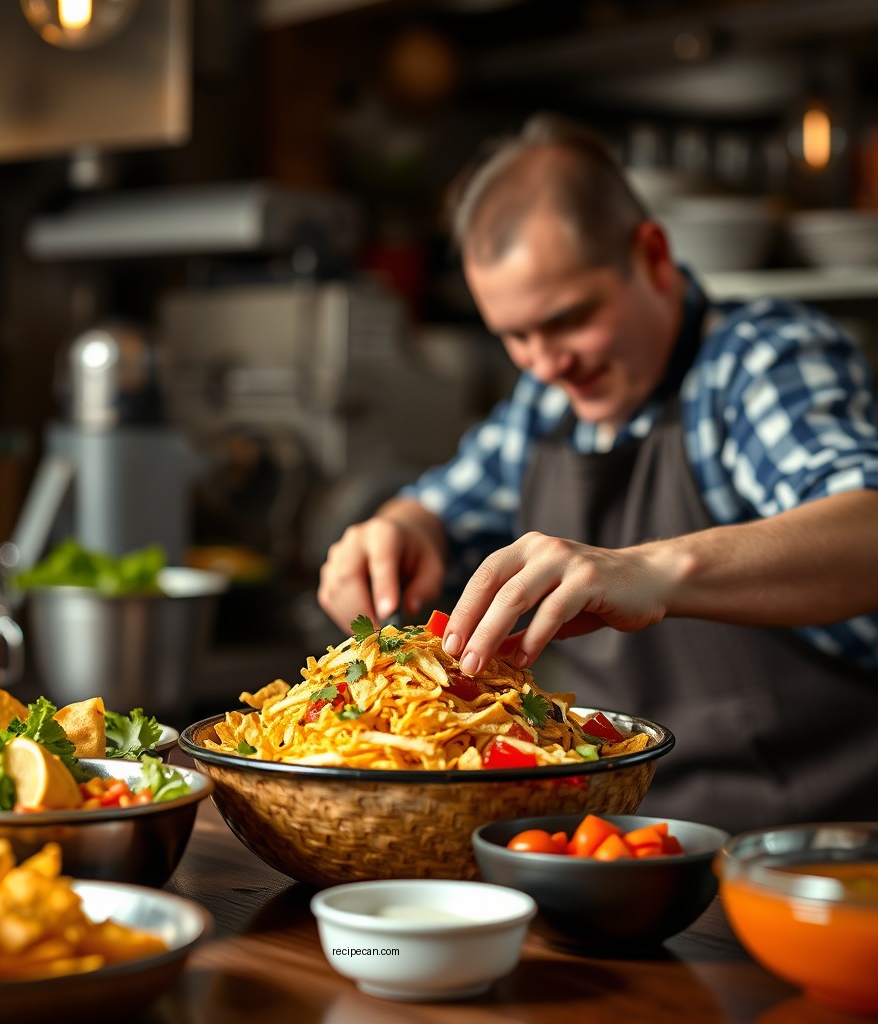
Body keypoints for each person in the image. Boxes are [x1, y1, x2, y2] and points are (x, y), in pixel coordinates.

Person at [317, 112, 878, 833]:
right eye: (514, 335)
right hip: (615, 848)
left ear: (651, 256)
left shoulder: (762, 361)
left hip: (812, 856)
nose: (547, 363)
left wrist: (655, 569)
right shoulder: (548, 402)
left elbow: (866, 526)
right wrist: (396, 529)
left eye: (569, 318)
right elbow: (442, 505)